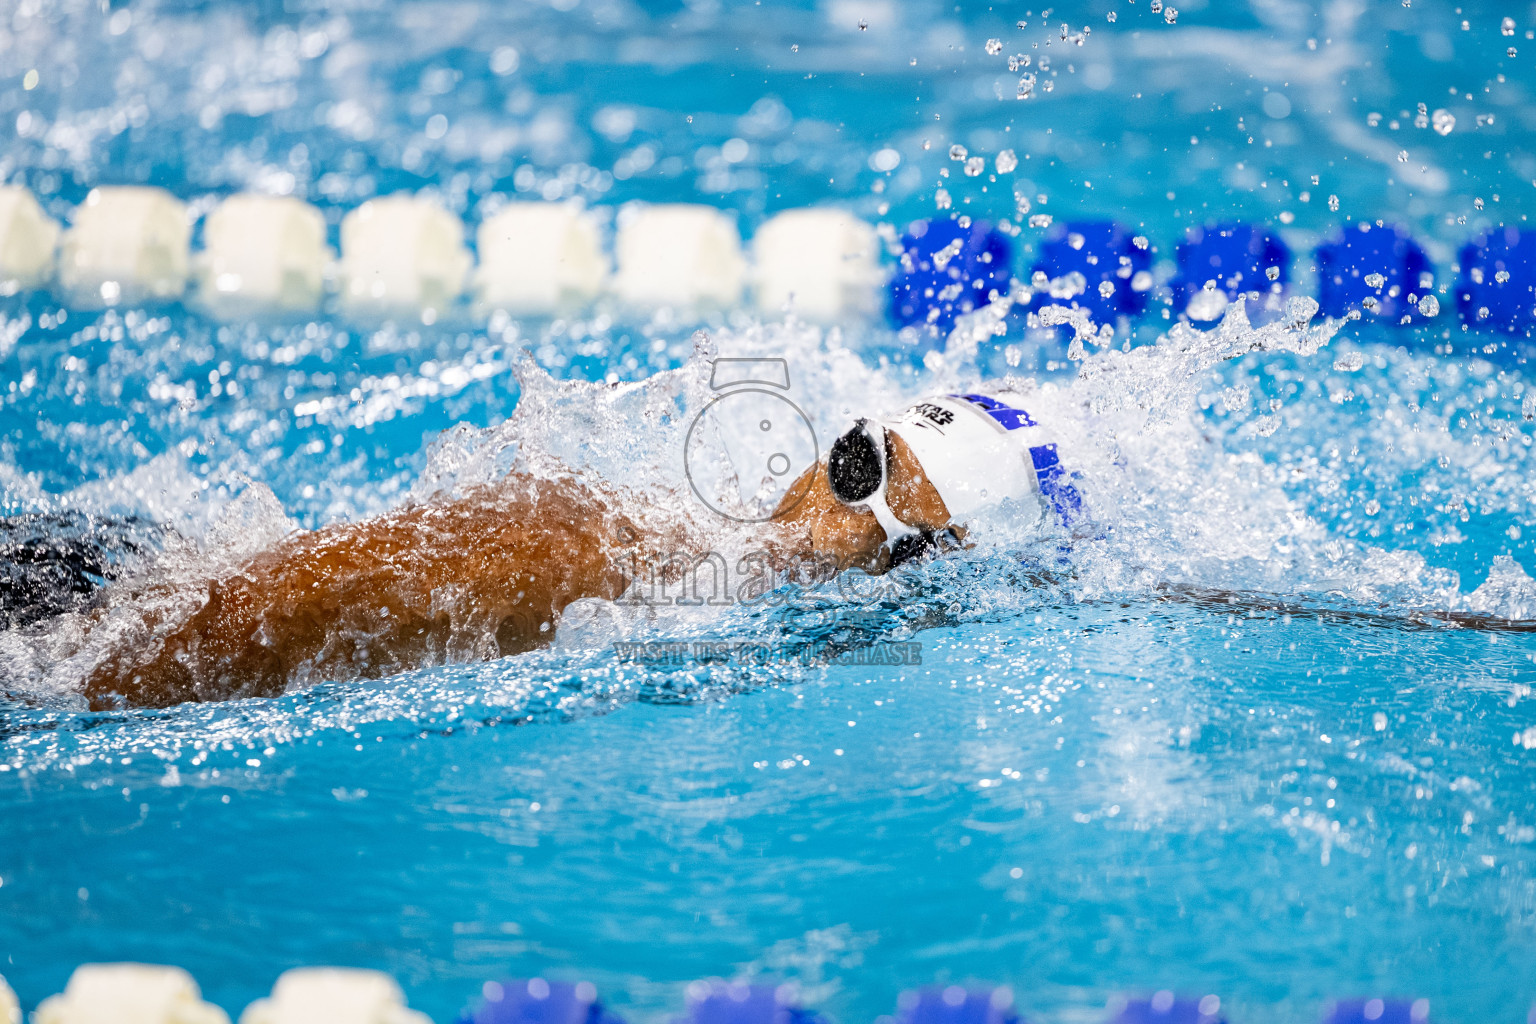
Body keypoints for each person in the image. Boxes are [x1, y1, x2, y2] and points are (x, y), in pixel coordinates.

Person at [79, 390, 1056, 709]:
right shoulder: (591, 548)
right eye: (855, 463)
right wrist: (70, 690)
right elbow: (237, 615)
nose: (842, 515)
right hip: (80, 623)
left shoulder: (690, 566)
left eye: (859, 473)